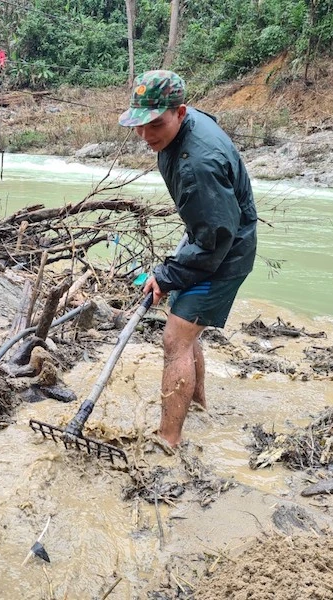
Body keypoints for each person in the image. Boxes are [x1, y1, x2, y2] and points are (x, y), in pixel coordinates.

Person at [119, 70, 258, 449]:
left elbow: (216, 241)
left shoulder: (198, 164)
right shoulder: (185, 125)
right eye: (139, 125)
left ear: (180, 113)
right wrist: (172, 273)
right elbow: (209, 226)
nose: (146, 135)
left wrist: (167, 275)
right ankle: (196, 405)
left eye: (156, 125)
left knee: (175, 338)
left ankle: (168, 440)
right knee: (186, 323)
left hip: (225, 252)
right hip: (210, 237)